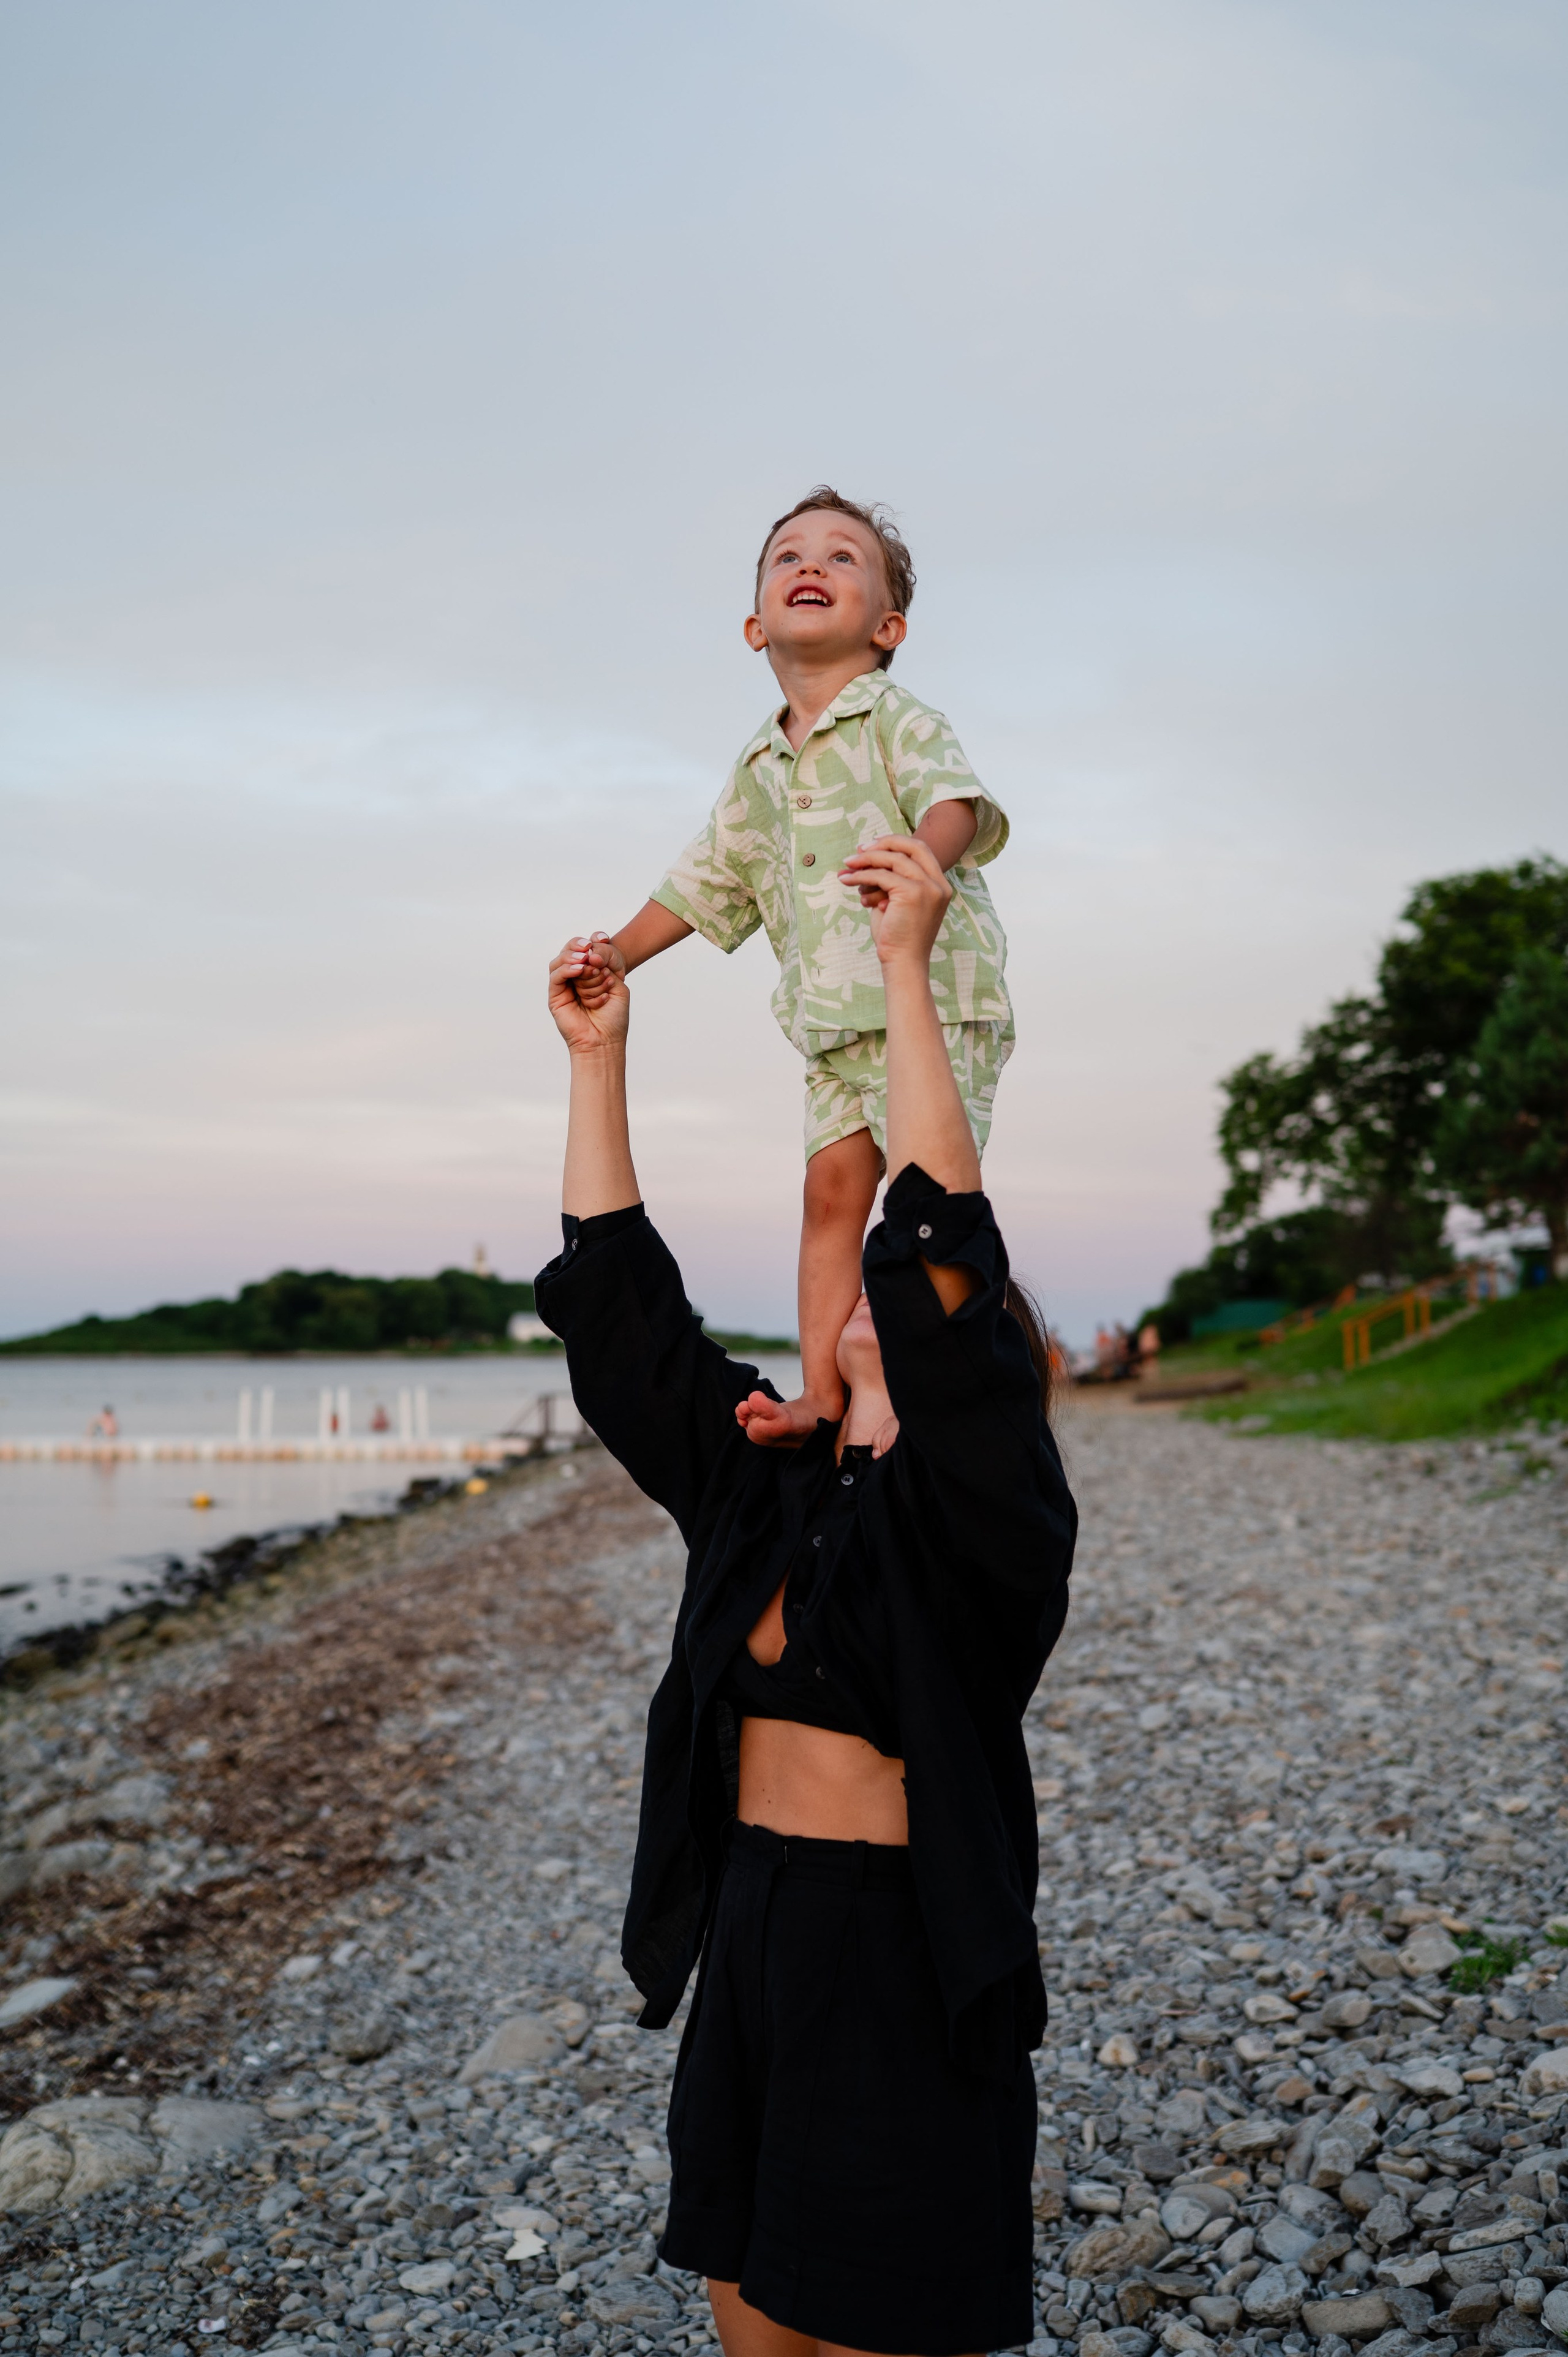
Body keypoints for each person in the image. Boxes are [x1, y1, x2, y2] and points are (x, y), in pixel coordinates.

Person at [537, 837, 1076, 2357]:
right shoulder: (765, 1486)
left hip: (901, 1955)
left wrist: (903, 966)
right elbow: (623, 1332)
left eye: (880, 1281)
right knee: (753, 2328)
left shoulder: (986, 1517)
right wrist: (597, 1062)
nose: (847, 1277)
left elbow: (939, 1243)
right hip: (753, 1934)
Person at [567, 487, 1012, 1446]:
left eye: (844, 558)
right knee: (828, 1200)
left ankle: (936, 1381)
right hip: (828, 1025)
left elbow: (959, 805)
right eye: (789, 558)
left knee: (929, 1203)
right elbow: (704, 882)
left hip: (936, 1000)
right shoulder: (758, 770)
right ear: (753, 623)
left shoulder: (895, 717)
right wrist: (616, 954)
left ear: (888, 625)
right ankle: (821, 1393)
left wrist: (923, 857)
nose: (812, 566)